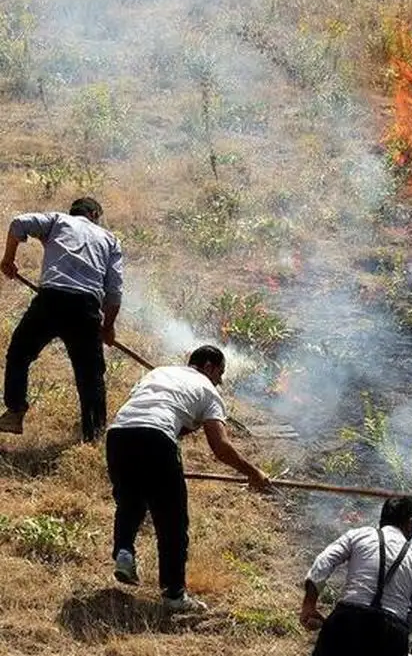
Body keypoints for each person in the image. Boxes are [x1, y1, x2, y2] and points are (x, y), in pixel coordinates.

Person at [105, 344, 272, 612]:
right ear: (209, 366)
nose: (220, 380)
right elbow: (220, 448)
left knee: (130, 500)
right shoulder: (209, 391)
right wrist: (254, 473)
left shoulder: (159, 373)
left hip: (118, 435)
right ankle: (173, 595)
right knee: (172, 521)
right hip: (157, 438)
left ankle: (124, 552)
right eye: (220, 373)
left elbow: (152, 411)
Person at [0, 197, 124, 442]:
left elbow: (17, 223)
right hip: (85, 308)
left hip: (51, 300)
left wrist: (8, 259)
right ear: (95, 214)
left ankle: (15, 412)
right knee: (90, 375)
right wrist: (108, 327)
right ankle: (94, 435)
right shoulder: (110, 239)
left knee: (19, 354)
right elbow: (114, 292)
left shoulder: (58, 220)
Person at [301, 495, 412, 655]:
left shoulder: (359, 535)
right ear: (410, 522)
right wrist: (398, 631)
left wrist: (309, 604)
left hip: (348, 621)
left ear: (383, 518)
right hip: (391, 633)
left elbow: (324, 561)